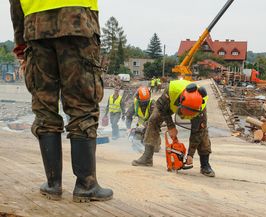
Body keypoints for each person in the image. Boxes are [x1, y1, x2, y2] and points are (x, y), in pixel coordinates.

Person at [9, 0, 113, 202]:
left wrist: (21, 46)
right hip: (77, 24)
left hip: (36, 30)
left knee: (44, 107)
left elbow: (15, 6)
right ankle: (86, 185)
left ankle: (52, 184)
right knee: (82, 104)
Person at [132, 79, 215, 177]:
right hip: (170, 104)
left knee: (202, 132)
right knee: (153, 120)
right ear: (181, 100)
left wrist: (190, 154)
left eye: (188, 115)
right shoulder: (172, 90)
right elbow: (161, 107)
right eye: (184, 113)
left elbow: (197, 133)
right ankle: (147, 157)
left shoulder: (201, 106)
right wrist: (170, 126)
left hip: (192, 110)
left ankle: (205, 164)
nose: (184, 116)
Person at [126, 86, 161, 151]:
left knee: (155, 149)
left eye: (145, 102)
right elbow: (128, 116)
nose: (143, 104)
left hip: (151, 128)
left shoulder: (152, 104)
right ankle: (141, 142)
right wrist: (128, 128)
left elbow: (153, 119)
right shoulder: (135, 104)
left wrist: (144, 125)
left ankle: (151, 143)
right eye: (142, 102)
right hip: (139, 130)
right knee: (136, 147)